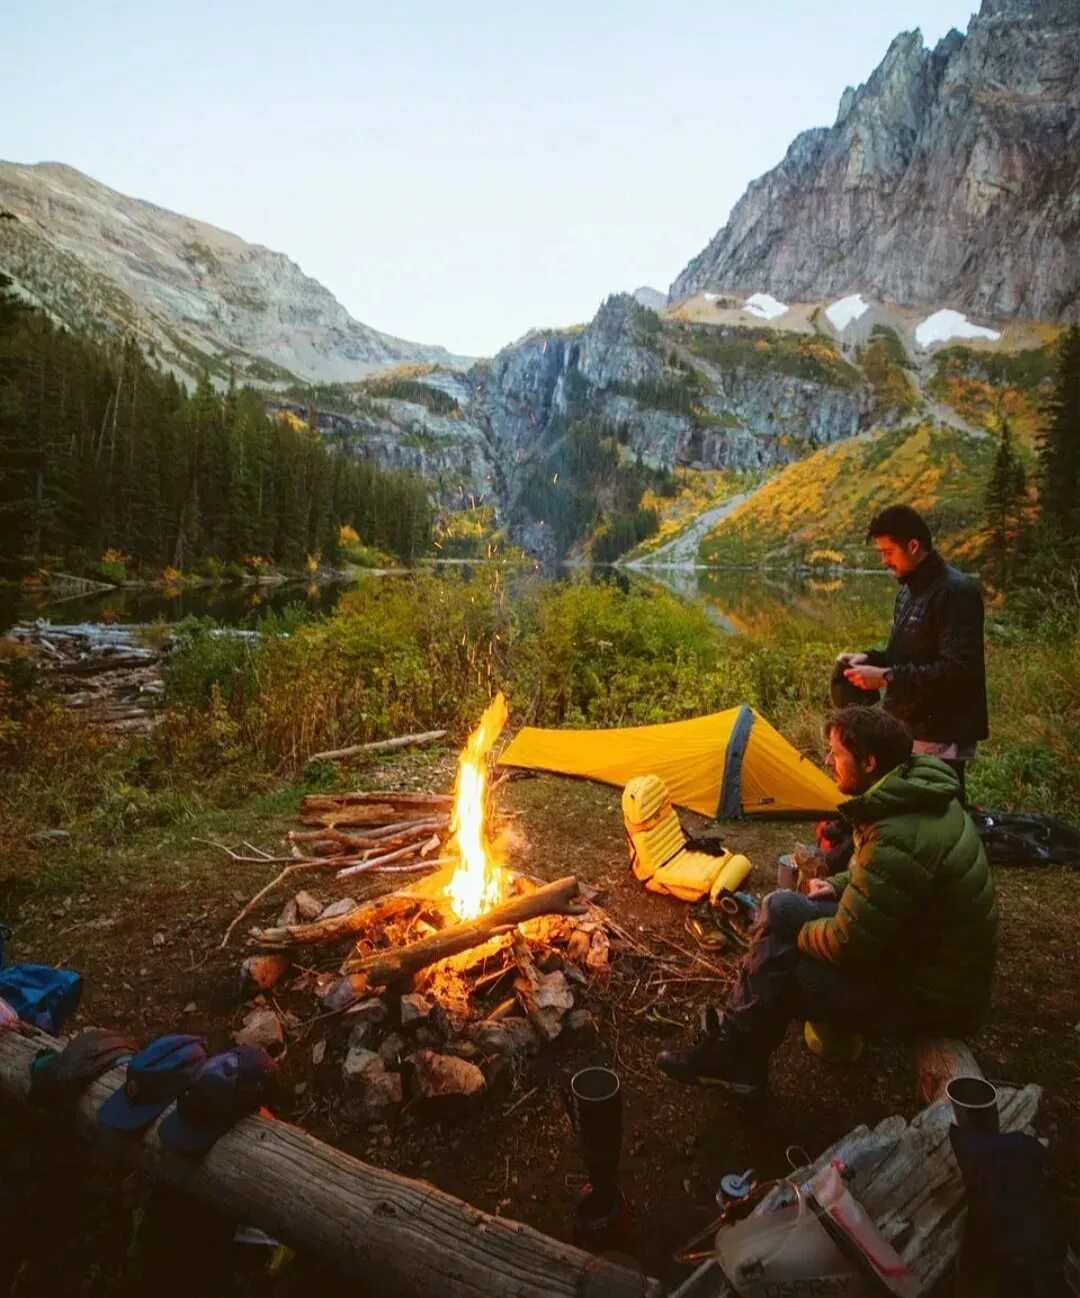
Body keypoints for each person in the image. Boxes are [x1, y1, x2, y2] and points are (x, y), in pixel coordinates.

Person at [658, 707, 997, 1095]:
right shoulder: (910, 793)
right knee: (780, 906)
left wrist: (789, 942)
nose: (827, 761)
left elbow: (848, 944)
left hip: (932, 997)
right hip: (914, 951)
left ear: (869, 762)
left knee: (780, 968)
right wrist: (836, 885)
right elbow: (890, 878)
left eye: (836, 753)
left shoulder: (897, 833)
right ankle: (738, 1053)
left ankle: (737, 1058)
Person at [838, 505, 988, 804]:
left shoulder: (956, 592)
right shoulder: (908, 591)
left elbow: (959, 670)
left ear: (914, 546)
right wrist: (869, 659)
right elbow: (904, 654)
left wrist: (886, 678)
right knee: (913, 811)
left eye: (888, 552)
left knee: (940, 810)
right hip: (911, 725)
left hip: (942, 731)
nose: (884, 561)